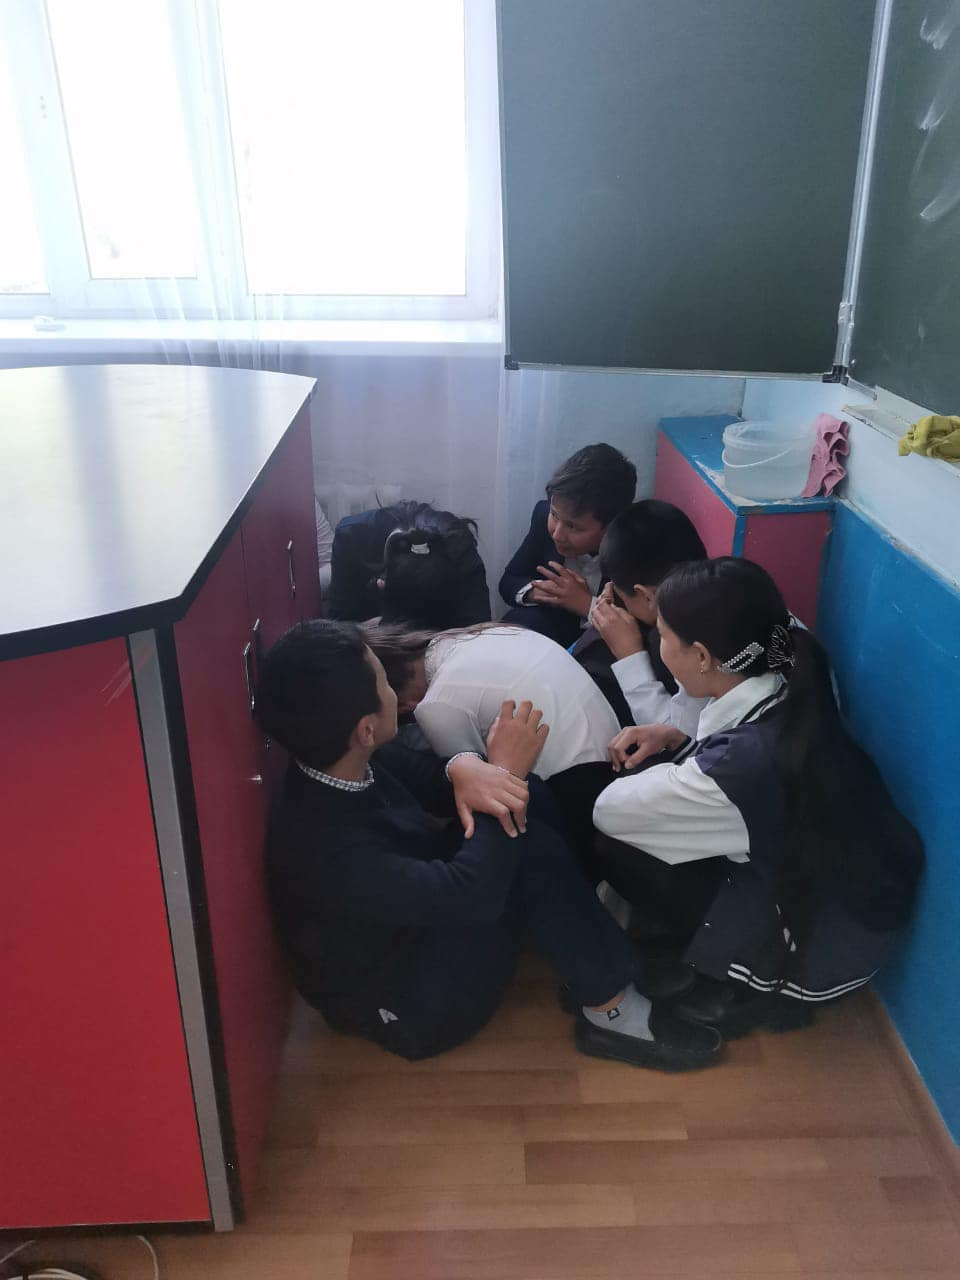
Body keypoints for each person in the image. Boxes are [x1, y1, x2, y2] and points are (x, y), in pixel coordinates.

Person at [256, 619, 721, 1071]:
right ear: (365, 730)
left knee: (525, 797)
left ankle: (604, 963)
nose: (394, 692)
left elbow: (430, 777)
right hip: (408, 1005)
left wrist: (465, 765)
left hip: (419, 921)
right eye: (383, 683)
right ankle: (611, 1012)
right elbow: (468, 896)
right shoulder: (325, 849)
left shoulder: (338, 760)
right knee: (524, 835)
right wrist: (503, 771)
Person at [592, 558, 925, 1039]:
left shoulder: (741, 765)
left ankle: (752, 987)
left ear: (702, 657)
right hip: (854, 903)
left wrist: (675, 768)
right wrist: (679, 739)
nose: (658, 646)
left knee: (617, 845)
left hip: (822, 951)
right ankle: (727, 953)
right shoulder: (788, 675)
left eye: (662, 636)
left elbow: (609, 811)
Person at [363, 621, 621, 782]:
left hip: (578, 783)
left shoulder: (436, 706)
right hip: (616, 747)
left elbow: (477, 786)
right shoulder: (475, 634)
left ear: (403, 705)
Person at [574, 499, 708, 731]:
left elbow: (680, 736)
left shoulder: (683, 646)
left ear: (646, 596)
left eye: (622, 597)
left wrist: (630, 656)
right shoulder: (728, 584)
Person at [498, 444, 637, 648]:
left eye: (573, 526)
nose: (557, 534)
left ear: (611, 526)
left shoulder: (633, 549)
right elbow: (510, 580)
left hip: (602, 645)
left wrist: (586, 604)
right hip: (549, 627)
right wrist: (537, 592)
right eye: (554, 515)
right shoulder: (542, 518)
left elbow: (637, 627)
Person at [327, 500, 491, 629]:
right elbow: (338, 628)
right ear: (382, 583)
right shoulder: (351, 538)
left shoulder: (459, 550)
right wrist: (372, 630)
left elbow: (478, 631)